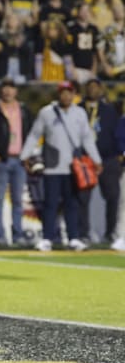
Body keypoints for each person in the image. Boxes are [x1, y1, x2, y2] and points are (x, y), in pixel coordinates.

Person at [20, 80, 102, 252]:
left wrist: (96, 160)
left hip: (74, 166)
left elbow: (87, 138)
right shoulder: (47, 113)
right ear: (59, 94)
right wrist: (25, 155)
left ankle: (73, 237)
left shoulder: (79, 113)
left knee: (72, 203)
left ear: (73, 94)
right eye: (63, 92)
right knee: (50, 203)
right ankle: (47, 238)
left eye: (69, 92)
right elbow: (35, 135)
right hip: (53, 166)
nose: (66, 95)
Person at [0, 77, 33, 246]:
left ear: (16, 91)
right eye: (5, 88)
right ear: (1, 90)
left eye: (11, 88)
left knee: (18, 200)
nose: (8, 91)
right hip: (2, 160)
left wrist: (28, 154)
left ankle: (18, 234)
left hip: (19, 159)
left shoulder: (24, 110)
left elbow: (30, 134)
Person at [78, 78, 120, 243]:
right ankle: (83, 234)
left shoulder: (109, 111)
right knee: (82, 198)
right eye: (89, 88)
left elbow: (117, 133)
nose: (92, 91)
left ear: (101, 90)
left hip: (107, 159)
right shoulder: (78, 109)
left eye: (96, 87)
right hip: (85, 160)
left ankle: (110, 233)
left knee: (112, 197)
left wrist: (118, 155)